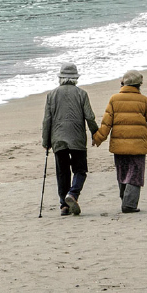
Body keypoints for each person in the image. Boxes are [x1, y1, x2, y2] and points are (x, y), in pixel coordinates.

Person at [92, 70, 147, 213]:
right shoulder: (143, 100)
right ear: (139, 85)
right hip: (138, 146)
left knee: (123, 172)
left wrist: (98, 138)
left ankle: (125, 200)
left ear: (122, 83)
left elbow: (106, 124)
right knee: (135, 174)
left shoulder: (114, 99)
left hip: (119, 146)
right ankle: (129, 204)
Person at [42, 63, 99, 216]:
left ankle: (64, 206)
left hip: (58, 139)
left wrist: (46, 141)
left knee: (63, 172)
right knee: (80, 170)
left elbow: (47, 120)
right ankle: (73, 194)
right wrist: (95, 133)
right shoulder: (82, 94)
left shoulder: (51, 95)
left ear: (60, 78)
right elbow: (89, 116)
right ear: (75, 78)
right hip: (77, 139)